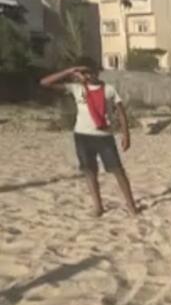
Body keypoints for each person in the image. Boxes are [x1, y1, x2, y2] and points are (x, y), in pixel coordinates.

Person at [40, 60, 138, 217]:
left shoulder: (109, 89)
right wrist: (70, 70)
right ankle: (98, 207)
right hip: (82, 136)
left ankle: (131, 205)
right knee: (90, 171)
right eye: (84, 72)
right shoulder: (77, 88)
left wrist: (126, 135)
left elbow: (121, 113)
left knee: (118, 171)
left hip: (104, 136)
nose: (88, 75)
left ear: (97, 71)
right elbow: (44, 82)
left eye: (90, 71)